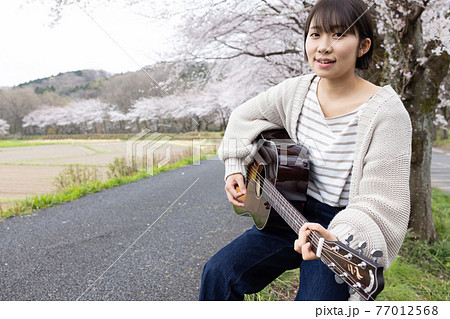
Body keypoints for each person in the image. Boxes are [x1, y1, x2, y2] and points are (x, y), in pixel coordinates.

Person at [199, 0, 412, 301]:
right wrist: (235, 166)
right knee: (218, 272)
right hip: (288, 210)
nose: (324, 46)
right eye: (316, 35)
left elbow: (382, 199)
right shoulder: (296, 91)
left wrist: (339, 235)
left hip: (338, 230)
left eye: (338, 35)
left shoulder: (387, 113)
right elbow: (242, 117)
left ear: (363, 46)